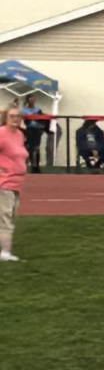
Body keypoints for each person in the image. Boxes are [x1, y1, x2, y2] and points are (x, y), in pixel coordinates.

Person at [0, 103, 27, 261]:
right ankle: (5, 252)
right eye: (12, 116)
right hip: (5, 184)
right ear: (6, 117)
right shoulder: (2, 134)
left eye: (18, 116)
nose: (15, 119)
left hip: (16, 183)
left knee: (9, 216)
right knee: (6, 218)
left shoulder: (19, 135)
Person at [20, 94, 44, 174]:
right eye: (30, 100)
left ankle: (36, 167)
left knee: (36, 148)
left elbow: (42, 120)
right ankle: (28, 166)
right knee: (29, 148)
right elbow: (23, 121)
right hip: (29, 130)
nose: (32, 101)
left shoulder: (38, 109)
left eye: (33, 100)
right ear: (27, 101)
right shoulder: (24, 110)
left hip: (37, 131)